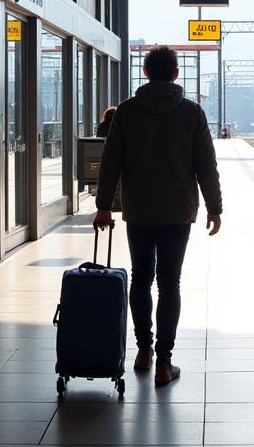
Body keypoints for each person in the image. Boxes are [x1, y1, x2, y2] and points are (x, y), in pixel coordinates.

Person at [94, 45, 222, 386]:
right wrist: (215, 207)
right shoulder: (192, 113)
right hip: (178, 211)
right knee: (170, 283)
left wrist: (103, 205)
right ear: (176, 74)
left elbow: (110, 162)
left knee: (141, 278)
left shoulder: (127, 111)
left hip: (139, 210)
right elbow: (206, 164)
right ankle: (165, 362)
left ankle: (143, 350)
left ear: (146, 72)